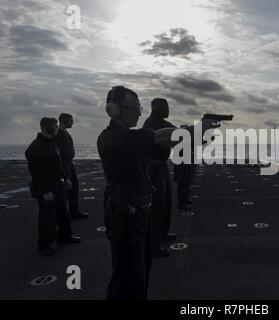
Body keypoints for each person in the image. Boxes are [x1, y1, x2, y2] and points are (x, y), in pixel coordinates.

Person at [97, 86, 217, 300]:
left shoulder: (128, 138)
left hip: (138, 215)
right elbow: (160, 136)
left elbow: (168, 138)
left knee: (139, 276)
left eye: (139, 107)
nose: (138, 112)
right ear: (114, 109)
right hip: (126, 218)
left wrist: (197, 134)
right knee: (128, 280)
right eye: (133, 107)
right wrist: (195, 130)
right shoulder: (111, 138)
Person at [25, 117, 81, 256]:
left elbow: (58, 164)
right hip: (47, 186)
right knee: (47, 216)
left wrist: (65, 178)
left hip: (57, 184)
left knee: (63, 212)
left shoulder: (52, 143)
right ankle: (44, 245)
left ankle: (65, 236)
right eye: (55, 126)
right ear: (46, 127)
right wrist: (45, 191)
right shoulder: (36, 147)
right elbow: (36, 172)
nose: (57, 128)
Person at [143, 98, 176, 258]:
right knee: (156, 206)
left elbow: (180, 135)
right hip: (154, 166)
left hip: (161, 165)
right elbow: (178, 136)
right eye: (165, 106)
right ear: (156, 108)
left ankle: (162, 233)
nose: (168, 109)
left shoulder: (162, 123)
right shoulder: (152, 123)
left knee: (165, 202)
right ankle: (154, 244)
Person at [55, 113, 88, 219]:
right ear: (64, 120)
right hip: (64, 163)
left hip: (69, 162)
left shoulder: (64, 133)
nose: (72, 122)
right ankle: (63, 214)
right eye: (71, 120)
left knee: (74, 188)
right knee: (65, 190)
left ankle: (74, 211)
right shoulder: (58, 133)